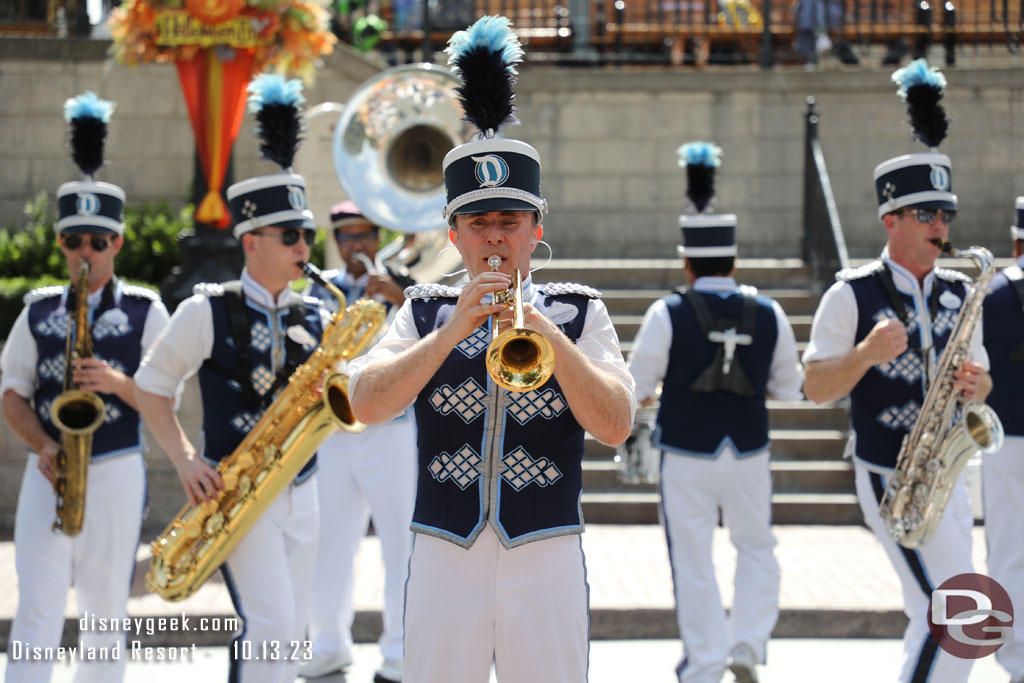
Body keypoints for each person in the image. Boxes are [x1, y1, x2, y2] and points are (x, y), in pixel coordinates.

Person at [347, 16, 635, 683]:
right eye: (480, 222)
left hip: (547, 550)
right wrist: (451, 330)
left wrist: (543, 329)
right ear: (454, 233)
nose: (496, 237)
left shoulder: (579, 309)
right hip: (446, 550)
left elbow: (617, 423)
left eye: (511, 220)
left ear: (537, 229)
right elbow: (362, 402)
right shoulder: (423, 309)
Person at [133, 74, 329, 683]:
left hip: (305, 487)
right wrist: (187, 459)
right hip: (237, 493)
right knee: (270, 625)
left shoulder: (318, 313)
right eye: (290, 236)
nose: (304, 247)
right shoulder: (205, 309)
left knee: (293, 632)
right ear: (250, 242)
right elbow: (150, 386)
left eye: (307, 235)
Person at [803, 61, 991, 683]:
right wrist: (864, 355)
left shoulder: (963, 290)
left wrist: (976, 386)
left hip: (950, 469)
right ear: (892, 220)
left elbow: (983, 379)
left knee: (941, 611)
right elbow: (814, 386)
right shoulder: (851, 295)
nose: (942, 227)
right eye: (928, 215)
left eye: (946, 215)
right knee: (954, 613)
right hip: (890, 470)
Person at [2, 92, 170, 683]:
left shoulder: (149, 310)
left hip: (118, 466)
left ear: (117, 244)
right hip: (49, 469)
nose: (86, 253)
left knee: (104, 610)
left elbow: (164, 398)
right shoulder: (39, 310)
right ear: (61, 244)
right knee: (39, 604)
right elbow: (11, 394)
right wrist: (41, 445)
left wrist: (120, 384)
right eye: (75, 241)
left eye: (99, 242)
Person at [627, 142, 802, 683]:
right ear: (734, 260)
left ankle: (703, 663)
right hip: (748, 448)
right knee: (757, 548)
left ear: (687, 261)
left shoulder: (668, 311)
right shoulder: (769, 311)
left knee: (692, 560)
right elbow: (790, 388)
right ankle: (748, 645)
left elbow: (636, 386)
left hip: (685, 450)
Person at [301, 201, 417, 682]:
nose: (357, 246)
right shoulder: (318, 290)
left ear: (377, 236)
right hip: (334, 432)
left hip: (393, 431)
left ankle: (399, 651)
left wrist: (401, 295)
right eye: (347, 237)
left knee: (400, 545)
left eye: (366, 235)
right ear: (336, 242)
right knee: (330, 545)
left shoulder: (407, 286)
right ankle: (328, 644)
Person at [980, 196, 1024, 683]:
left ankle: (1018, 665)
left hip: (1007, 436)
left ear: (1016, 242)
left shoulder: (993, 293)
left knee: (1010, 550)